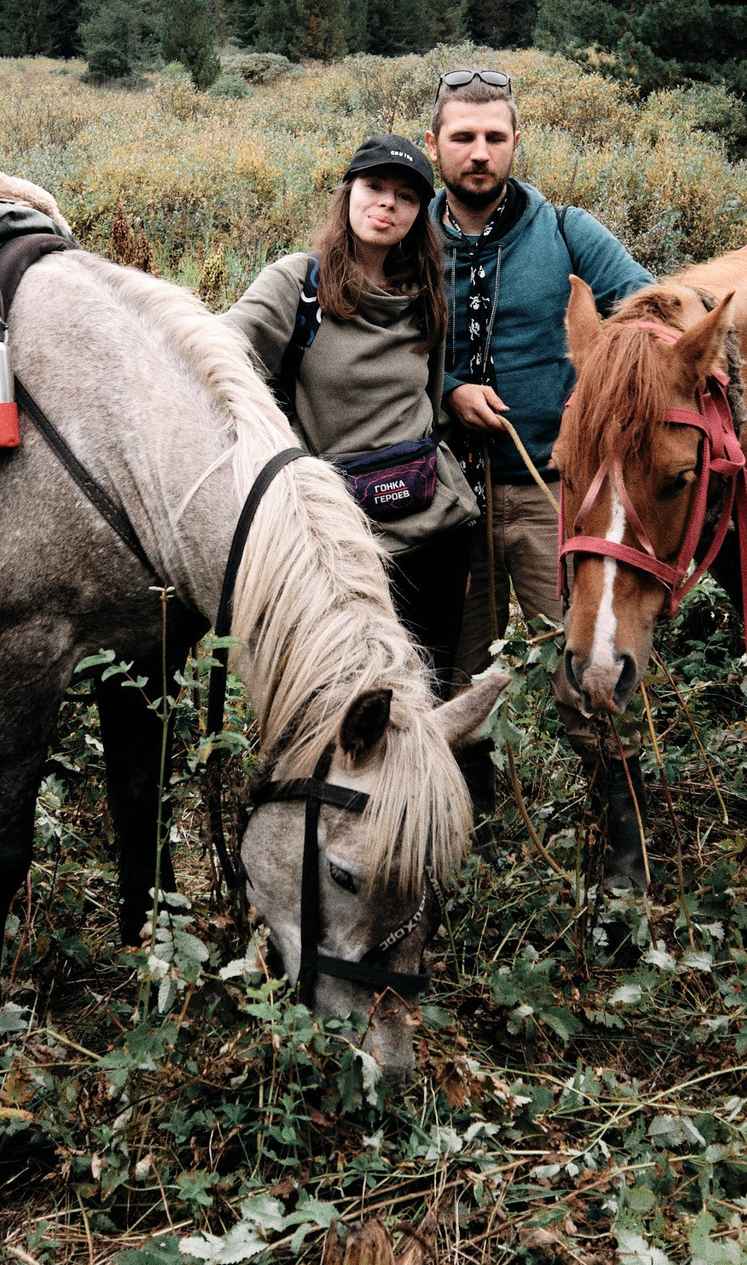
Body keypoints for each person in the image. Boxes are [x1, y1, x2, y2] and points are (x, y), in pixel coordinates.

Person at [426, 69, 655, 871]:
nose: (479, 153)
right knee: (457, 674)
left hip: (555, 497)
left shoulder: (567, 232)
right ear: (435, 146)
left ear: (516, 142)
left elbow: (649, 310)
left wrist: (597, 392)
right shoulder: (407, 239)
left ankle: (622, 845)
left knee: (588, 664)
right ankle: (474, 830)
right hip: (448, 501)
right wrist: (449, 390)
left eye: (495, 137)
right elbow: (382, 344)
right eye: (463, 137)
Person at [223, 134, 480, 695]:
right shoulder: (299, 284)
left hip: (433, 532)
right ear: (347, 194)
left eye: (407, 197)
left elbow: (430, 404)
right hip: (342, 543)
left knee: (429, 698)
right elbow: (216, 355)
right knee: (349, 701)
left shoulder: (426, 291)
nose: (388, 205)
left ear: (419, 214)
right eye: (375, 187)